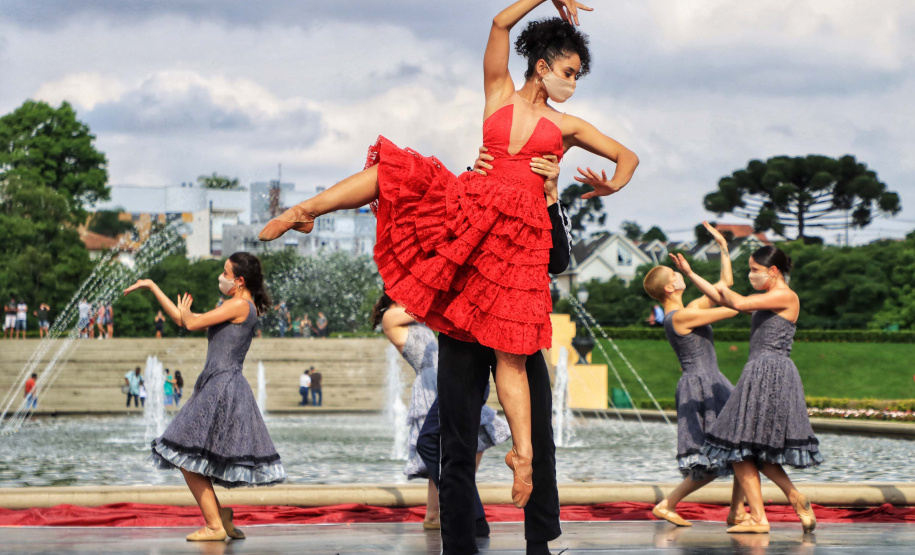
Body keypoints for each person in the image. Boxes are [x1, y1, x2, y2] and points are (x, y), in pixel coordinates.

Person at [258, 1, 637, 532]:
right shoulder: (499, 92)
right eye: (570, 72)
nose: (574, 83)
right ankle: (306, 210)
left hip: (521, 241)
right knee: (406, 172)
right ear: (544, 64)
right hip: (474, 213)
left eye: (578, 76)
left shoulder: (567, 125)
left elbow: (628, 158)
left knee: (512, 355)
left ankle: (523, 457)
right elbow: (500, 23)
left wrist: (607, 185)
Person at [124, 251, 286, 541]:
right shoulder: (240, 305)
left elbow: (191, 322)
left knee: (185, 455)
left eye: (225, 273)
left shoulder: (239, 304)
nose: (220, 278)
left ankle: (214, 526)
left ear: (239, 281)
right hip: (219, 384)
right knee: (195, 455)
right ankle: (220, 516)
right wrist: (152, 286)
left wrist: (187, 316)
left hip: (220, 387)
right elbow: (184, 319)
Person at [696, 246, 822, 534]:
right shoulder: (769, 297)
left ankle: (759, 519)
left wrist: (723, 280)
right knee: (753, 451)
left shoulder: (785, 295)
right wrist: (693, 273)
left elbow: (737, 302)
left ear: (773, 271)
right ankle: (794, 499)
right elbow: (722, 298)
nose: (751, 275)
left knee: (736, 445)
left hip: (769, 372)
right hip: (763, 372)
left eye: (754, 270)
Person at [371, 292, 512, 531]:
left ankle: (436, 512)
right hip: (430, 387)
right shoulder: (391, 316)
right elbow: (428, 310)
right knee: (444, 452)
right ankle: (457, 508)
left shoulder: (410, 315)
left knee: (460, 450)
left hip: (446, 378)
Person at [642, 222, 748, 527]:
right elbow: (731, 306)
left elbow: (723, 287)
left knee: (741, 448)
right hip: (702, 385)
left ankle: (737, 510)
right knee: (717, 457)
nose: (681, 273)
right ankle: (668, 503)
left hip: (710, 380)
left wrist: (723, 248)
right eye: (676, 274)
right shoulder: (683, 316)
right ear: (669, 288)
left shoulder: (686, 309)